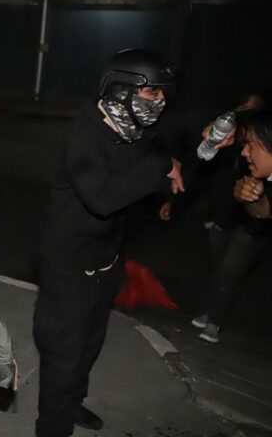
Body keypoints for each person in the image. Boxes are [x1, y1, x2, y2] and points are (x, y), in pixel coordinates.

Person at [33, 49, 182, 436]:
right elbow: (102, 197)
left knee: (89, 343)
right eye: (152, 94)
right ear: (121, 91)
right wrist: (162, 167)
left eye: (163, 93)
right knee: (63, 352)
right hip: (68, 265)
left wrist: (168, 171)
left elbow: (151, 165)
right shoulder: (86, 135)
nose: (161, 102)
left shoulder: (130, 129)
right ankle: (52, 426)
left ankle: (72, 404)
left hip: (105, 259)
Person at [192, 109, 272, 342]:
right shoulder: (255, 166)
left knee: (230, 271)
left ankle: (215, 321)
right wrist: (252, 198)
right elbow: (264, 211)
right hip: (229, 220)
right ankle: (213, 313)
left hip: (250, 233)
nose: (245, 152)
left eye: (251, 145)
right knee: (221, 270)